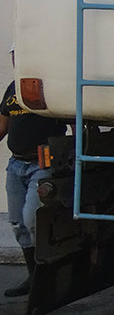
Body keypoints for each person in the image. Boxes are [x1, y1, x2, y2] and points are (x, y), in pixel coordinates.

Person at [0, 47, 66, 297]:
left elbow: (72, 124)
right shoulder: (12, 88)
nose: (17, 62)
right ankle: (34, 278)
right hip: (16, 165)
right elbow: (3, 123)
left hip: (42, 164)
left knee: (32, 219)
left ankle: (47, 277)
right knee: (17, 223)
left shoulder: (51, 87)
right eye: (14, 58)